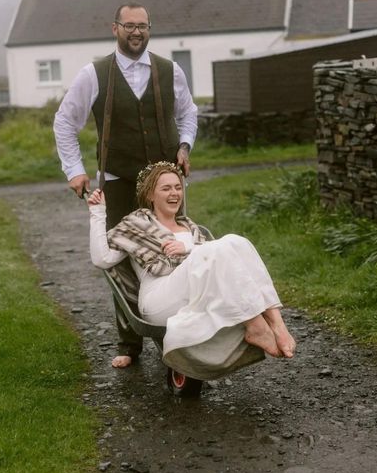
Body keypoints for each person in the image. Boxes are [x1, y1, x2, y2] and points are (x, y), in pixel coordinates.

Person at [54, 2, 198, 367]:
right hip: (117, 180)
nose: (137, 32)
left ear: (150, 28)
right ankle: (129, 342)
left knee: (175, 249)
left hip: (165, 180)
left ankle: (182, 329)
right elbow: (65, 122)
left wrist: (184, 145)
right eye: (129, 25)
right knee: (119, 258)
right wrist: (74, 169)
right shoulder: (95, 73)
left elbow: (188, 112)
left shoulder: (169, 70)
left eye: (143, 26)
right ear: (115, 28)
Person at [87, 161, 296, 376]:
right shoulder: (136, 225)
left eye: (178, 187)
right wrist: (97, 213)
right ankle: (256, 326)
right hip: (159, 298)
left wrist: (187, 247)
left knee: (236, 241)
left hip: (196, 292)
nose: (174, 193)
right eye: (166, 188)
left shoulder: (190, 227)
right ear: (150, 195)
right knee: (211, 250)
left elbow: (216, 261)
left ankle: (277, 324)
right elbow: (102, 259)